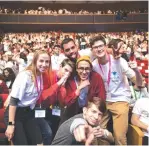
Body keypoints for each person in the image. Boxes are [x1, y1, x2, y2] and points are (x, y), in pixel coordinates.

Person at [90, 35, 143, 145]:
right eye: (95, 47)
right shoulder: (94, 65)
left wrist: (137, 71)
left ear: (105, 46)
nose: (99, 49)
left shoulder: (119, 61)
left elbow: (138, 82)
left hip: (120, 99)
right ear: (92, 50)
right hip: (104, 100)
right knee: (98, 133)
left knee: (119, 136)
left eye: (101, 46)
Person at [4, 50, 51, 145]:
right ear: (35, 61)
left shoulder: (40, 75)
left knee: (38, 142)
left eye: (47, 62)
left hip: (29, 112)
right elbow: (13, 101)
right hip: (15, 113)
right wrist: (10, 124)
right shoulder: (25, 76)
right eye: (41, 61)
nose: (44, 64)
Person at [59, 56, 106, 123]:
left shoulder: (96, 77)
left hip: (90, 112)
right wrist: (79, 88)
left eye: (87, 69)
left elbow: (101, 98)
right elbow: (67, 102)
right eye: (81, 68)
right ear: (77, 69)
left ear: (91, 69)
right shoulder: (71, 79)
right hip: (72, 111)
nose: (84, 72)